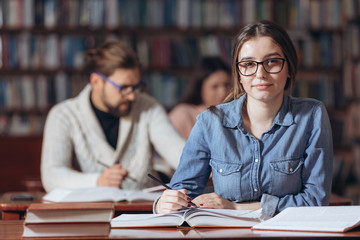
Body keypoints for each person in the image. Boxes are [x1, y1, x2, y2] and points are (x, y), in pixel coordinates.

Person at [155, 20, 333, 217]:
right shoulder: (209, 122)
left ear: (289, 68)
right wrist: (164, 203)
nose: (260, 74)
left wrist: (237, 208)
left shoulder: (312, 116)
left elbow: (315, 200)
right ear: (238, 74)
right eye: (248, 64)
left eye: (272, 62)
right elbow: (182, 193)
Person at [41, 42, 186, 192]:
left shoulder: (148, 107)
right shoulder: (63, 115)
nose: (131, 96)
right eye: (123, 88)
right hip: (96, 211)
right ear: (96, 81)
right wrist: (97, 181)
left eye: (136, 86)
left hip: (146, 208)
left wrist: (201, 165)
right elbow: (52, 176)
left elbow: (177, 151)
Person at [169, 57, 231, 139]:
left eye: (226, 85)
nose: (223, 92)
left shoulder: (234, 115)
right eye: (215, 87)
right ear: (200, 87)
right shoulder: (182, 115)